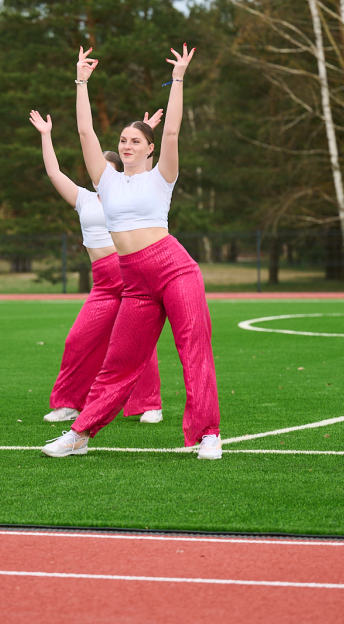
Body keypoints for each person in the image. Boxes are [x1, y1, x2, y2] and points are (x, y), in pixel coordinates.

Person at [42, 44, 222, 459]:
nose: (126, 145)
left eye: (135, 140)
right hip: (135, 280)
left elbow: (173, 130)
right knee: (119, 362)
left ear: (149, 149)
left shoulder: (162, 177)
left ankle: (208, 434)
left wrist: (178, 80)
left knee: (193, 347)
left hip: (175, 269)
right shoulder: (105, 181)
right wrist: (81, 81)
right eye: (123, 139)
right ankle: (80, 434)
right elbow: (86, 133)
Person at [29, 108, 163, 425]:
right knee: (78, 340)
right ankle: (68, 403)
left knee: (137, 342)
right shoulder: (84, 199)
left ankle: (150, 405)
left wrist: (147, 133)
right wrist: (47, 137)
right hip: (103, 281)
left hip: (132, 275)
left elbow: (146, 171)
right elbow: (54, 174)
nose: (98, 174)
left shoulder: (131, 193)